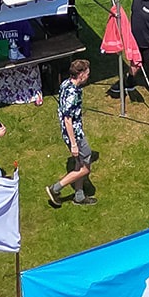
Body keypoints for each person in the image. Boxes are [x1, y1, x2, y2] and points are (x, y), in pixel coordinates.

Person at [46, 58, 96, 207]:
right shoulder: (73, 93)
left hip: (69, 133)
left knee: (79, 163)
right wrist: (74, 144)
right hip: (76, 135)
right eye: (87, 73)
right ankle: (55, 188)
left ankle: (79, 196)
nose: (88, 76)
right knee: (85, 168)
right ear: (80, 74)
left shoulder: (66, 84)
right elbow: (68, 119)